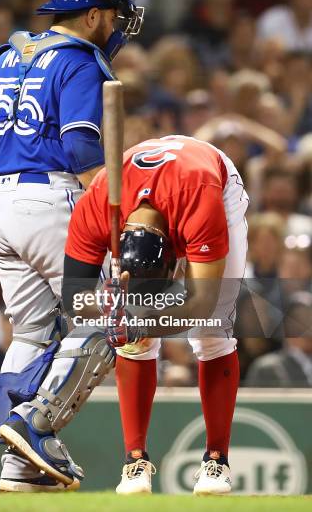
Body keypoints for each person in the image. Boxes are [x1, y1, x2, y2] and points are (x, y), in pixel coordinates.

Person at [0, 0, 144, 492]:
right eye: (109, 16)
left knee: (32, 332)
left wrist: (12, 193)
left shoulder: (6, 56)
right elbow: (84, 148)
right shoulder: (82, 61)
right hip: (56, 197)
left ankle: (17, 468)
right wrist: (113, 220)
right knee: (111, 314)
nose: (114, 26)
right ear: (91, 16)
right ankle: (34, 427)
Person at [62, 134, 249, 495]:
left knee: (212, 331)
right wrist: (109, 309)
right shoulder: (96, 204)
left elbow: (202, 304)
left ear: (174, 270)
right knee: (133, 340)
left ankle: (217, 461)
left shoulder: (201, 198)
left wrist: (141, 322)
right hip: (159, 191)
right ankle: (135, 462)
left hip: (209, 182)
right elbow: (73, 299)